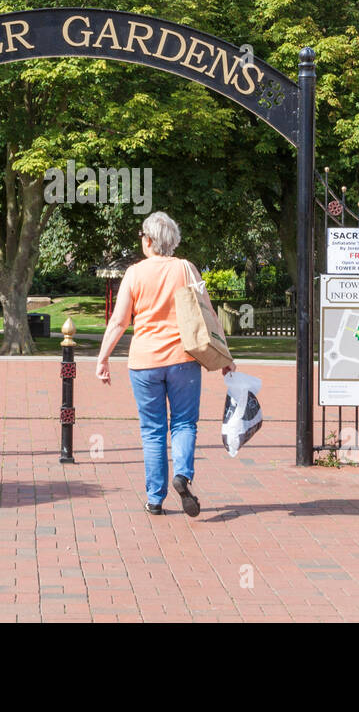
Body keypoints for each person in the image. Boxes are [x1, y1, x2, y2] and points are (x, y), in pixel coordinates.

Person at [95, 211, 234, 516]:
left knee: (152, 429)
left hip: (144, 361)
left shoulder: (134, 273)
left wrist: (103, 357)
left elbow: (119, 321)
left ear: (149, 240)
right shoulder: (186, 269)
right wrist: (225, 356)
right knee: (184, 423)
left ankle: (155, 498)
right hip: (183, 359)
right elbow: (208, 313)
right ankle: (182, 476)